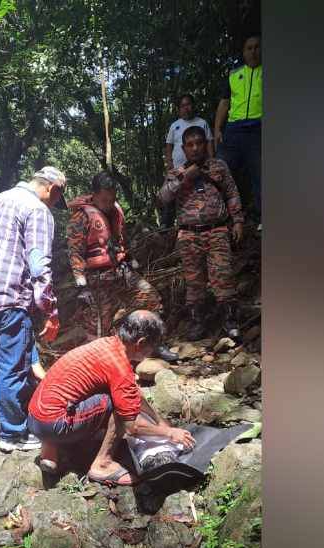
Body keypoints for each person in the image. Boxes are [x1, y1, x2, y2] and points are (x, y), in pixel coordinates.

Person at [27, 310, 195, 487]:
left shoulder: (105, 345)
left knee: (94, 395)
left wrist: (159, 421)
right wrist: (169, 433)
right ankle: (102, 463)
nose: (150, 353)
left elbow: (133, 392)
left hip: (35, 418)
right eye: (151, 348)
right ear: (141, 343)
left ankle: (51, 449)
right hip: (54, 424)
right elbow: (132, 427)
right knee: (116, 405)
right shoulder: (120, 367)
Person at [0, 166, 65, 453]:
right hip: (12, 297)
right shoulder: (37, 210)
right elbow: (38, 264)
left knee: (11, 355)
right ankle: (13, 433)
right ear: (52, 189)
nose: (54, 204)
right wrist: (50, 310)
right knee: (14, 365)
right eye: (56, 198)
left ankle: (12, 420)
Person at [67, 171, 178, 362]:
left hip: (121, 272)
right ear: (94, 195)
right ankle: (97, 365)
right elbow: (75, 252)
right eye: (104, 199)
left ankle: (154, 344)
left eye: (112, 199)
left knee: (150, 298)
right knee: (98, 326)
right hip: (97, 280)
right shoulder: (81, 217)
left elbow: (120, 240)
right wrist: (81, 285)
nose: (108, 204)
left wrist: (131, 259)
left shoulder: (116, 210)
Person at [157, 125, 245, 341]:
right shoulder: (176, 173)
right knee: (194, 283)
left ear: (205, 145)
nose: (195, 148)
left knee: (223, 277)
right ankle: (198, 323)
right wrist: (185, 177)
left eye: (199, 143)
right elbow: (162, 199)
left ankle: (230, 322)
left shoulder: (218, 167)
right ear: (184, 149)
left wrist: (238, 221)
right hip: (188, 236)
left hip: (217, 231)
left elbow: (232, 193)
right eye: (190, 145)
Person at [214, 33, 261, 220]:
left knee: (260, 173)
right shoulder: (234, 73)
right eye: (249, 48)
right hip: (233, 128)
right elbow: (224, 103)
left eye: (257, 47)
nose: (253, 51)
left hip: (258, 128)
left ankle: (260, 219)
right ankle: (219, 215)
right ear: (243, 52)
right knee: (219, 170)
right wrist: (217, 128)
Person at [0, 327, 46, 411]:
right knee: (8, 406)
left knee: (33, 399)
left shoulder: (25, 331)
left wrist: (52, 383)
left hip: (11, 375)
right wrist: (0, 402)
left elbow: (35, 365)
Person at [164, 94, 214, 171]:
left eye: (188, 104)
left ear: (193, 105)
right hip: (178, 168)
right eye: (182, 106)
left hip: (200, 167)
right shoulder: (174, 125)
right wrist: (169, 162)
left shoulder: (202, 123)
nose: (186, 108)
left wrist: (211, 160)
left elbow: (209, 142)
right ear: (179, 109)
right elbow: (169, 145)